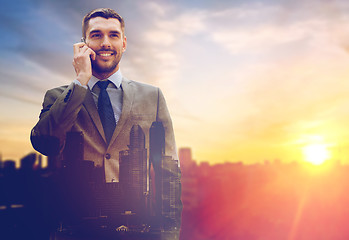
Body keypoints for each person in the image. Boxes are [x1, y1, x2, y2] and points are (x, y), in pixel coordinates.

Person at [31, 8, 181, 240]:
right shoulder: (58, 97)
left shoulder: (153, 97)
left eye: (113, 35)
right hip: (75, 230)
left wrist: (169, 234)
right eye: (96, 35)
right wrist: (81, 81)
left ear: (124, 43)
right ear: (83, 44)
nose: (105, 43)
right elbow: (45, 144)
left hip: (136, 229)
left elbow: (168, 172)